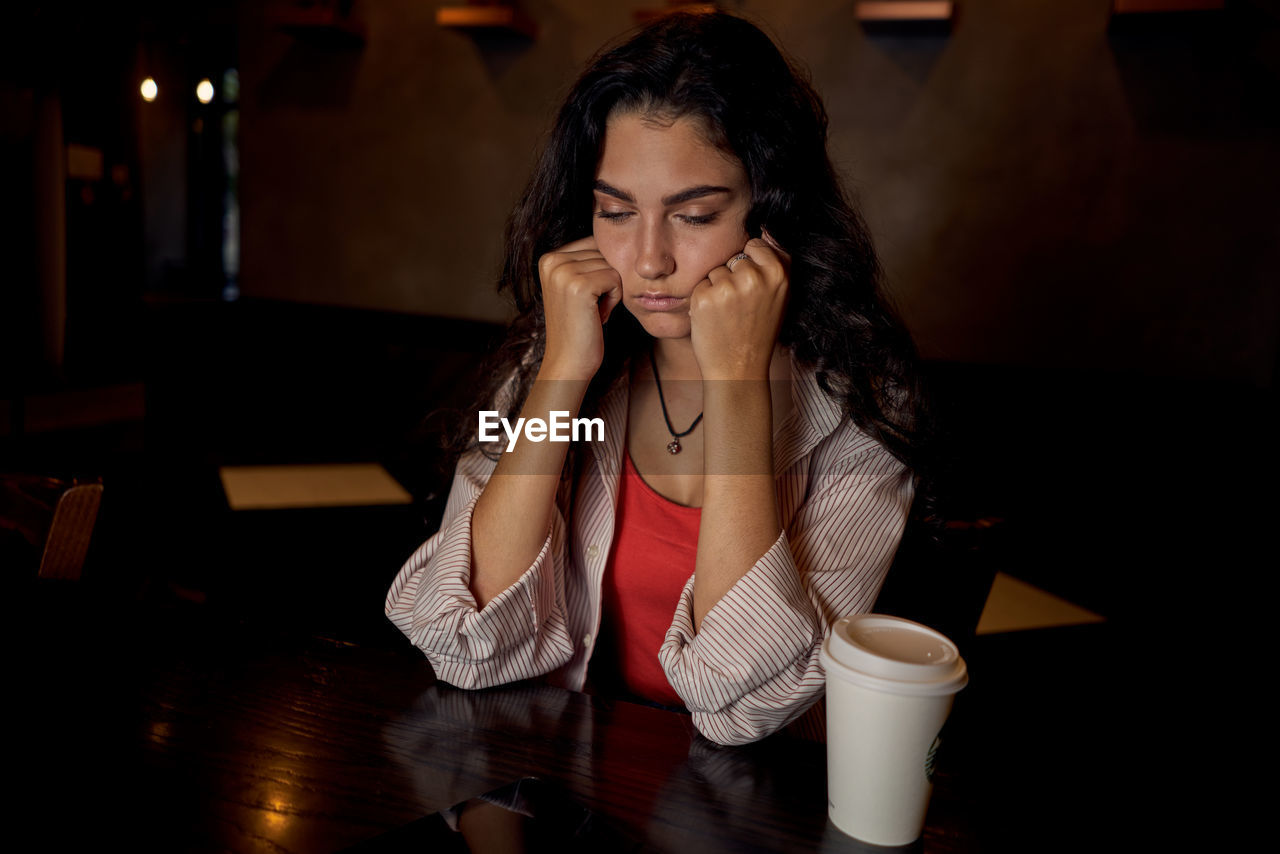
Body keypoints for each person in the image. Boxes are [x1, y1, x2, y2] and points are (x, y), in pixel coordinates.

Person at [386, 10, 930, 746]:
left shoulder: (863, 408)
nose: (647, 260)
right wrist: (561, 373)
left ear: (774, 214)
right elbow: (457, 639)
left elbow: (750, 705)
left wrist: (738, 384)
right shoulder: (549, 374)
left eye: (695, 214)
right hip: (562, 789)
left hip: (749, 814)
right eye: (615, 211)